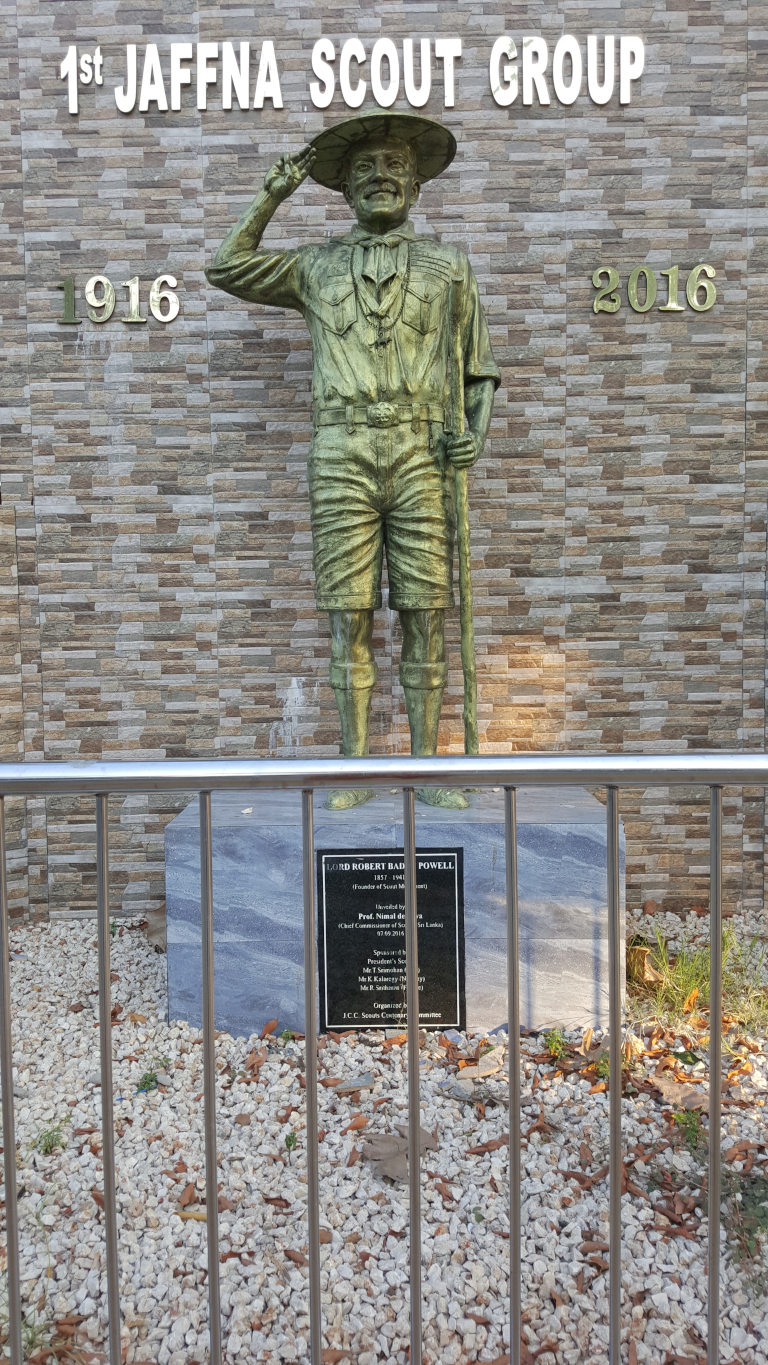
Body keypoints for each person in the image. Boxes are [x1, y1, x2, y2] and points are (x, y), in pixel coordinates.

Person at [207, 111, 499, 809]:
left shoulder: (451, 267)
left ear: (418, 185)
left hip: (424, 450)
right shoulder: (315, 265)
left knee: (425, 610)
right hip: (342, 450)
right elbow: (225, 266)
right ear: (342, 189)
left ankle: (429, 771)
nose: (381, 179)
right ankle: (355, 768)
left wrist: (475, 436)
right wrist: (271, 196)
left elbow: (477, 371)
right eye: (365, 169)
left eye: (396, 167)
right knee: (349, 613)